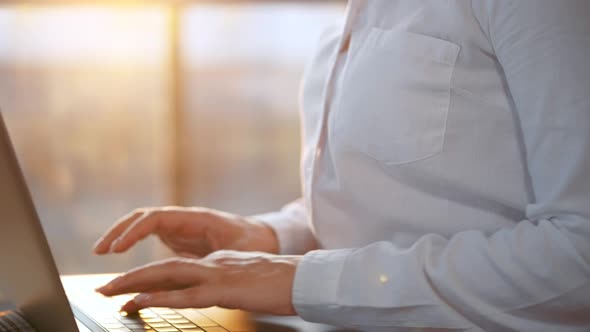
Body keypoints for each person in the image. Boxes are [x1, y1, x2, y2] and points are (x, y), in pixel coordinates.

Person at [93, 1, 590, 331]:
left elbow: (580, 256)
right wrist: (271, 239)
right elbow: (402, 203)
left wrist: (298, 281)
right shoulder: (348, 18)